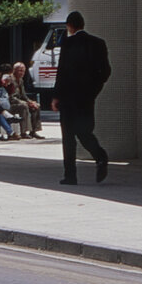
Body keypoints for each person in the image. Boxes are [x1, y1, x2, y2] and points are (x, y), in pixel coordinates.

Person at [51, 11, 111, 184]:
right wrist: (94, 89)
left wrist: (56, 96)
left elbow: (61, 72)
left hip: (68, 97)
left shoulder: (68, 43)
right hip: (86, 98)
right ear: (83, 24)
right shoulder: (98, 43)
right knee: (84, 131)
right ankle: (100, 156)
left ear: (70, 26)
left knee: (68, 137)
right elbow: (106, 71)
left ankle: (70, 175)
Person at [7, 62, 43, 138]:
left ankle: (33, 131)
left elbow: (23, 95)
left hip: (19, 102)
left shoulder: (21, 80)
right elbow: (10, 97)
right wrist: (25, 103)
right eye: (20, 70)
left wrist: (30, 102)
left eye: (23, 71)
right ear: (14, 70)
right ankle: (23, 132)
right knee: (24, 106)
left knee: (36, 106)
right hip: (11, 103)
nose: (22, 73)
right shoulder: (9, 79)